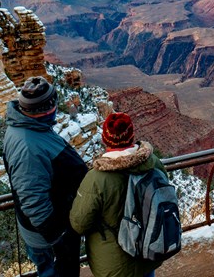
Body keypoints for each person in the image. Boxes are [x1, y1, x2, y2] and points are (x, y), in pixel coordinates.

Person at [3, 76, 87, 276]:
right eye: (54, 104)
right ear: (46, 108)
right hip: (49, 238)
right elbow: (32, 199)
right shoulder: (27, 147)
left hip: (51, 231)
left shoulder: (27, 127)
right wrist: (58, 234)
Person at [70, 112, 165, 277]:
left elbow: (80, 223)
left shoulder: (96, 179)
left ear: (105, 140)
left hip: (115, 263)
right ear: (132, 135)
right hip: (149, 249)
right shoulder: (153, 162)